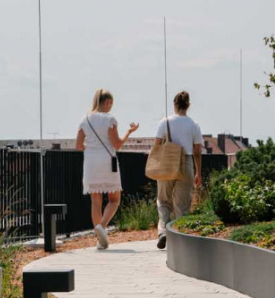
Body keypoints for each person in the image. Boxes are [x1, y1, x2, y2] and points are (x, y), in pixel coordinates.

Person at [75, 88, 139, 249]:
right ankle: (101, 227)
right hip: (107, 162)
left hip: (90, 163)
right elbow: (117, 144)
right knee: (114, 199)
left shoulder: (85, 119)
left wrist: (91, 150)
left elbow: (78, 145)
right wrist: (128, 132)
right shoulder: (110, 119)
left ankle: (99, 239)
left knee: (96, 201)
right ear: (108, 102)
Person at [151, 90, 203, 249]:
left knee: (163, 200)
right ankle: (180, 239)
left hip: (167, 163)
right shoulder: (194, 125)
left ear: (174, 105)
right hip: (186, 163)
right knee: (182, 204)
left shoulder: (164, 123)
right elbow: (197, 152)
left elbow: (157, 146)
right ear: (188, 106)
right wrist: (198, 172)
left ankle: (163, 233)